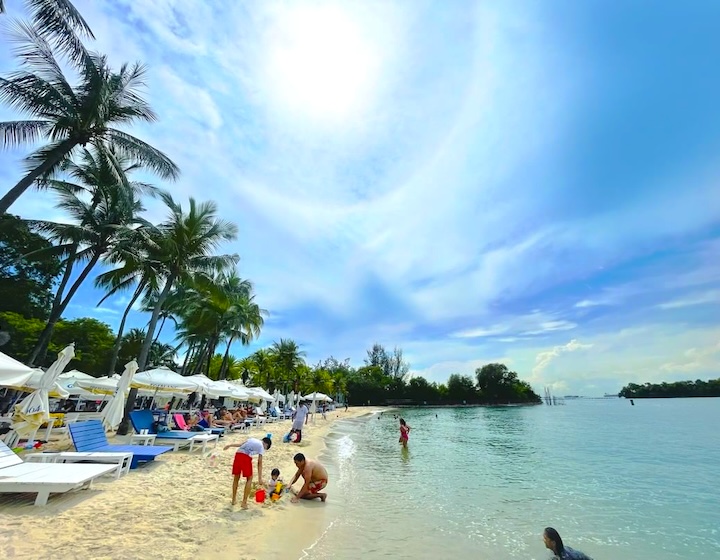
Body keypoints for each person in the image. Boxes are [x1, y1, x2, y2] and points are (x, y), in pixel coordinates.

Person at [224, 436, 272, 509]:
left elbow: (241, 444)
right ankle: (244, 502)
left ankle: (233, 500)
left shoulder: (252, 439)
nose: (264, 449)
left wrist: (230, 445)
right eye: (266, 448)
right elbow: (259, 463)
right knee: (249, 478)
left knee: (236, 478)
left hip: (238, 454)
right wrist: (260, 478)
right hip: (245, 457)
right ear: (266, 444)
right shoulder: (261, 446)